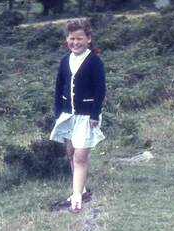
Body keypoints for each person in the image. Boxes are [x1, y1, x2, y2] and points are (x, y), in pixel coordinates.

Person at [49, 18, 106, 213]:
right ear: (67, 39)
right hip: (67, 114)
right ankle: (80, 190)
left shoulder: (94, 61)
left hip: (86, 115)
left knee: (81, 156)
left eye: (80, 38)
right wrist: (58, 111)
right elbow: (59, 86)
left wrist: (95, 113)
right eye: (71, 38)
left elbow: (100, 89)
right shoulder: (65, 60)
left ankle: (76, 200)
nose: (75, 42)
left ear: (88, 39)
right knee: (70, 153)